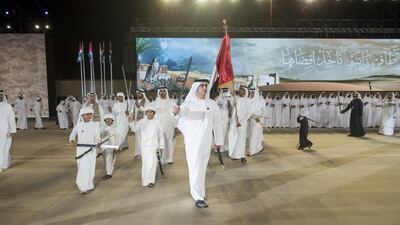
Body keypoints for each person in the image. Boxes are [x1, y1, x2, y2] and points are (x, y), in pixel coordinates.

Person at [174, 79, 223, 208]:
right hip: (192, 142)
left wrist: (218, 140)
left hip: (206, 141)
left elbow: (218, 123)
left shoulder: (212, 104)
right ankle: (197, 196)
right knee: (195, 166)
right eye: (202, 85)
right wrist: (175, 110)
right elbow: (179, 112)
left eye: (206, 85)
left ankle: (200, 193)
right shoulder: (188, 103)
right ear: (196, 87)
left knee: (202, 168)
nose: (205, 88)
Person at [129, 105, 165, 187]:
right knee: (145, 163)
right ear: (146, 113)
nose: (149, 113)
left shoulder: (157, 122)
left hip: (154, 146)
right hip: (144, 147)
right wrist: (131, 122)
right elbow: (134, 129)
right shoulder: (142, 121)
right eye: (148, 112)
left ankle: (151, 181)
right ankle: (145, 179)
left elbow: (161, 135)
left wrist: (162, 146)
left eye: (151, 112)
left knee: (152, 163)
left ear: (154, 113)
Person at [69, 107, 100, 194]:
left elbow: (97, 137)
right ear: (82, 115)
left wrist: (98, 143)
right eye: (87, 114)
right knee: (83, 168)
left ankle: (89, 185)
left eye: (90, 114)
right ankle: (82, 187)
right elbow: (72, 135)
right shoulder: (79, 125)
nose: (89, 116)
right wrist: (72, 140)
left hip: (92, 150)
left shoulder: (95, 125)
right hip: (81, 150)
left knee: (91, 168)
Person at [152, 86, 178, 164]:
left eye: (164, 91)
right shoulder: (154, 103)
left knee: (170, 142)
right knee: (159, 142)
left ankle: (169, 159)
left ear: (166, 92)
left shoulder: (172, 102)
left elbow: (176, 114)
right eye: (161, 91)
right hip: (158, 126)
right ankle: (159, 159)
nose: (162, 92)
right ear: (158, 92)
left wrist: (176, 125)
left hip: (169, 126)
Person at [228, 85, 252, 162]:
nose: (240, 91)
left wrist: (241, 122)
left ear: (245, 92)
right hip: (234, 122)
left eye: (242, 90)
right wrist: (233, 97)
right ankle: (234, 154)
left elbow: (249, 113)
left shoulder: (248, 101)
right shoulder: (236, 98)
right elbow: (231, 104)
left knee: (241, 139)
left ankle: (241, 155)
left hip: (242, 123)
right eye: (240, 89)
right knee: (233, 137)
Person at [0, 90, 17, 173]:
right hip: (4, 131)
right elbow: (11, 119)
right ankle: (1, 165)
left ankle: (5, 164)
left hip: (4, 131)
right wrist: (13, 130)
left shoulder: (7, 106)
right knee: (4, 148)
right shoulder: (7, 106)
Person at [132, 89, 150, 157]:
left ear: (143, 94)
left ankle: (144, 152)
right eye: (137, 93)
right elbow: (133, 112)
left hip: (144, 122)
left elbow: (147, 111)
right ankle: (138, 153)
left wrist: (140, 107)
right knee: (137, 138)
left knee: (143, 137)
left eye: (139, 93)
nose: (138, 94)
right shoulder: (135, 102)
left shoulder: (147, 101)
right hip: (137, 122)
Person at [248, 88, 265, 156]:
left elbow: (264, 111)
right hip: (251, 120)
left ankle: (251, 151)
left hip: (257, 121)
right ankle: (258, 148)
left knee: (254, 136)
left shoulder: (261, 102)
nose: (251, 94)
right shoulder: (249, 101)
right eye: (251, 93)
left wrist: (259, 118)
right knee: (252, 136)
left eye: (253, 93)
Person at [101, 114, 119, 179]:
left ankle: (109, 173)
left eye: (110, 119)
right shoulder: (104, 128)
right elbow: (103, 138)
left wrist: (116, 147)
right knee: (106, 160)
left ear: (112, 121)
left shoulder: (115, 129)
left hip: (111, 147)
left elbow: (117, 138)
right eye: (107, 119)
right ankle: (108, 171)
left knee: (110, 159)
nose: (108, 120)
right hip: (105, 146)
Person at [215, 88, 232, 152]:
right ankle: (218, 147)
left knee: (224, 132)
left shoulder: (229, 100)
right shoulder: (218, 99)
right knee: (218, 132)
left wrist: (229, 118)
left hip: (225, 118)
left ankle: (222, 147)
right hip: (218, 118)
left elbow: (230, 110)